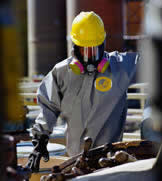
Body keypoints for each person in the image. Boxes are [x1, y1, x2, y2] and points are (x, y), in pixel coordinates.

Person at [26, 11, 140, 172]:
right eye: (84, 51)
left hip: (109, 161)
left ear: (103, 45)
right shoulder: (62, 73)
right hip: (75, 161)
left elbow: (154, 62)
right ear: (75, 47)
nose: (89, 57)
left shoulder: (121, 67)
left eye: (94, 50)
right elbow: (48, 106)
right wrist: (40, 141)